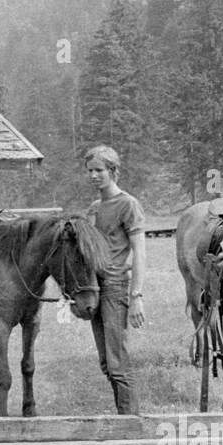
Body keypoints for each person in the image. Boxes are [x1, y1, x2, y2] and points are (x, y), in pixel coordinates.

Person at [83, 145, 147, 414]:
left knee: (117, 362)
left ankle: (131, 422)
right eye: (90, 171)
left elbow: (139, 252)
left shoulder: (128, 205)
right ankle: (125, 417)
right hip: (95, 288)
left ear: (113, 171)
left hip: (116, 287)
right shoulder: (95, 207)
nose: (94, 176)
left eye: (100, 170)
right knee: (106, 363)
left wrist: (136, 298)